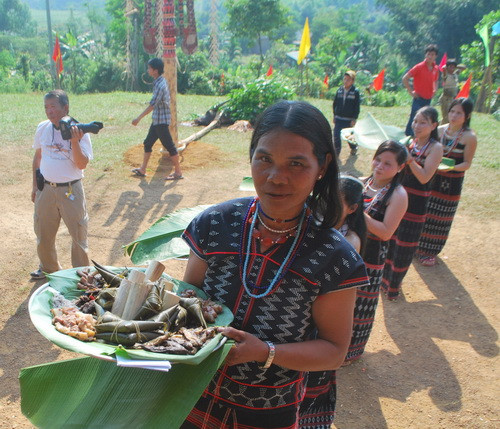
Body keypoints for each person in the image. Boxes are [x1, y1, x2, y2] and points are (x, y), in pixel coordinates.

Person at [180, 101, 369, 428]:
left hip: (268, 410)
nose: (276, 177)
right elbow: (189, 299)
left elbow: (335, 349)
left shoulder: (334, 257)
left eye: (296, 163)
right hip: (190, 395)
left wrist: (265, 351)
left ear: (322, 166)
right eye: (264, 159)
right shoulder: (215, 224)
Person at [298, 175, 366, 429]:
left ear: (352, 209)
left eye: (334, 200)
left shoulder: (349, 243)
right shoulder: (317, 226)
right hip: (306, 314)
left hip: (321, 318)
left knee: (311, 379)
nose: (324, 203)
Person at [344, 141, 408, 363]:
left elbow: (385, 232)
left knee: (360, 305)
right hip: (349, 251)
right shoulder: (362, 183)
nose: (379, 166)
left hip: (371, 257)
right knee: (340, 301)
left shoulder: (398, 195)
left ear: (400, 168)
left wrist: (356, 211)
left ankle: (350, 352)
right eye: (378, 159)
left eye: (387, 163)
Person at [30, 90, 93, 280]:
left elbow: (82, 164)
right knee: (43, 233)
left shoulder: (80, 131)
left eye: (53, 106)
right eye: (46, 107)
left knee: (78, 235)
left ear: (65, 108)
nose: (49, 111)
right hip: (46, 188)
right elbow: (37, 158)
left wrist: (74, 140)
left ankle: (81, 274)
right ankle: (49, 269)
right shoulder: (43, 127)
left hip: (71, 189)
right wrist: (34, 186)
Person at [382, 106, 443, 300]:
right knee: (391, 240)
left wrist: (409, 161)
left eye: (423, 122)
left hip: (416, 203)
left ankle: (393, 286)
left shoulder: (436, 148)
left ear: (434, 125)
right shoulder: (410, 142)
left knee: (405, 246)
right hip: (398, 197)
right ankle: (383, 282)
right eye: (415, 121)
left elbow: (425, 177)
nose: (417, 125)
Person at [417, 98, 477, 266]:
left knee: (441, 217)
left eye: (459, 113)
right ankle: (418, 247)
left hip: (451, 184)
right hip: (432, 178)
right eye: (452, 111)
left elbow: (467, 164)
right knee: (425, 212)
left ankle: (430, 252)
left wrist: (450, 168)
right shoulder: (440, 130)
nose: (454, 115)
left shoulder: (469, 137)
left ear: (467, 115)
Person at [131, 58, 183, 180]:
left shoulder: (160, 85)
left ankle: (178, 172)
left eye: (149, 68)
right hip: (157, 121)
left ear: (155, 70)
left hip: (161, 122)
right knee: (148, 143)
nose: (148, 70)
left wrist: (138, 118)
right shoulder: (158, 82)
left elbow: (153, 105)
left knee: (169, 146)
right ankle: (142, 169)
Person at [402, 44, 439, 136]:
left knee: (425, 119)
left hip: (428, 98)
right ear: (425, 55)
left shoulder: (435, 68)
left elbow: (436, 80)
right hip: (418, 98)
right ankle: (408, 136)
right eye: (429, 54)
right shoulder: (419, 67)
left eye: (433, 55)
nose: (430, 56)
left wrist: (435, 90)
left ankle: (419, 136)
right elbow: (405, 78)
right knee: (414, 118)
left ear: (436, 56)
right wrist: (411, 92)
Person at [333, 70, 360, 156]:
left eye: (348, 79)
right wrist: (334, 115)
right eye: (345, 79)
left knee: (348, 137)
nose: (346, 81)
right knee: (336, 135)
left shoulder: (355, 92)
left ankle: (353, 147)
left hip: (348, 119)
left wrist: (354, 119)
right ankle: (336, 152)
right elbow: (335, 103)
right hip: (339, 118)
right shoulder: (339, 90)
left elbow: (357, 106)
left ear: (352, 81)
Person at [438, 59, 465, 124]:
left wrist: (456, 66)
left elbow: (464, 68)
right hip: (446, 98)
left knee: (450, 115)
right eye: (450, 67)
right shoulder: (446, 75)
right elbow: (443, 67)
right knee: (445, 116)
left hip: (452, 98)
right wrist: (448, 65)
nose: (452, 69)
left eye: (453, 67)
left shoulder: (455, 74)